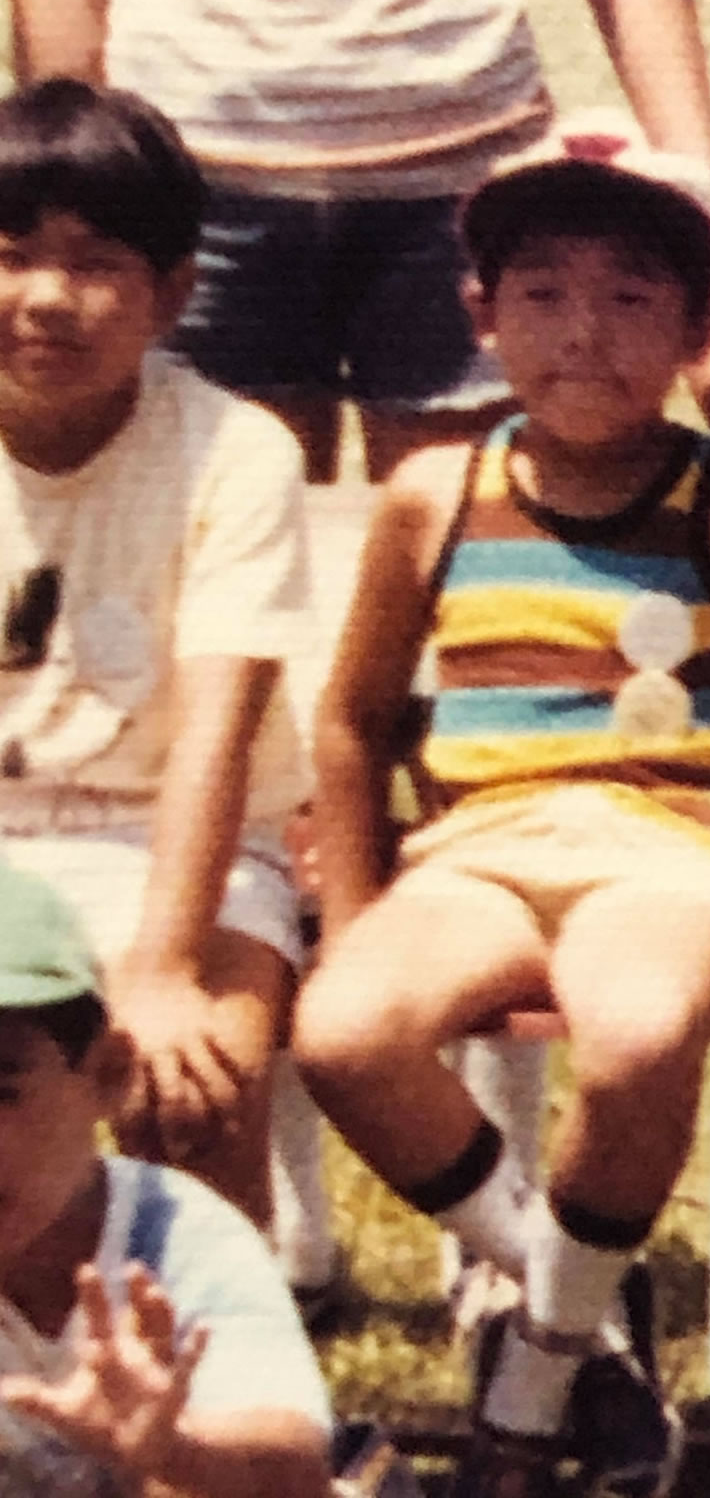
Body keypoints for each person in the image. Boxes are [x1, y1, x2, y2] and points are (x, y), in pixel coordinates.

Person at [293, 150, 710, 1498]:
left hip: (674, 851)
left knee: (637, 1034)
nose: (584, 333)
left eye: (631, 299)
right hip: (479, 853)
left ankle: (534, 1381)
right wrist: (356, 918)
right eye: (543, 294)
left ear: (694, 329)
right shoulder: (437, 494)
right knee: (344, 1032)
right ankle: (592, 1329)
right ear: (481, 314)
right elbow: (353, 719)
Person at [0, 0, 710, 484]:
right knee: (216, 518)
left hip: (462, 181)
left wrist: (699, 183)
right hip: (200, 183)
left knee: (472, 523)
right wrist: (74, 198)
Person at [0, 76, 313, 1241]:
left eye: (96, 265)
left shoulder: (234, 451)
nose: (48, 298)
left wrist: (164, 965)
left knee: (188, 1084)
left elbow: (217, 737)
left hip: (180, 849)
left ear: (173, 293)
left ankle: (227, 1344)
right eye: (12, 256)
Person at [0, 860, 332, 1498]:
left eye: (2, 1091)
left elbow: (293, 1466)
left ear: (108, 1075)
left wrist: (179, 1449)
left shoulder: (175, 1236)